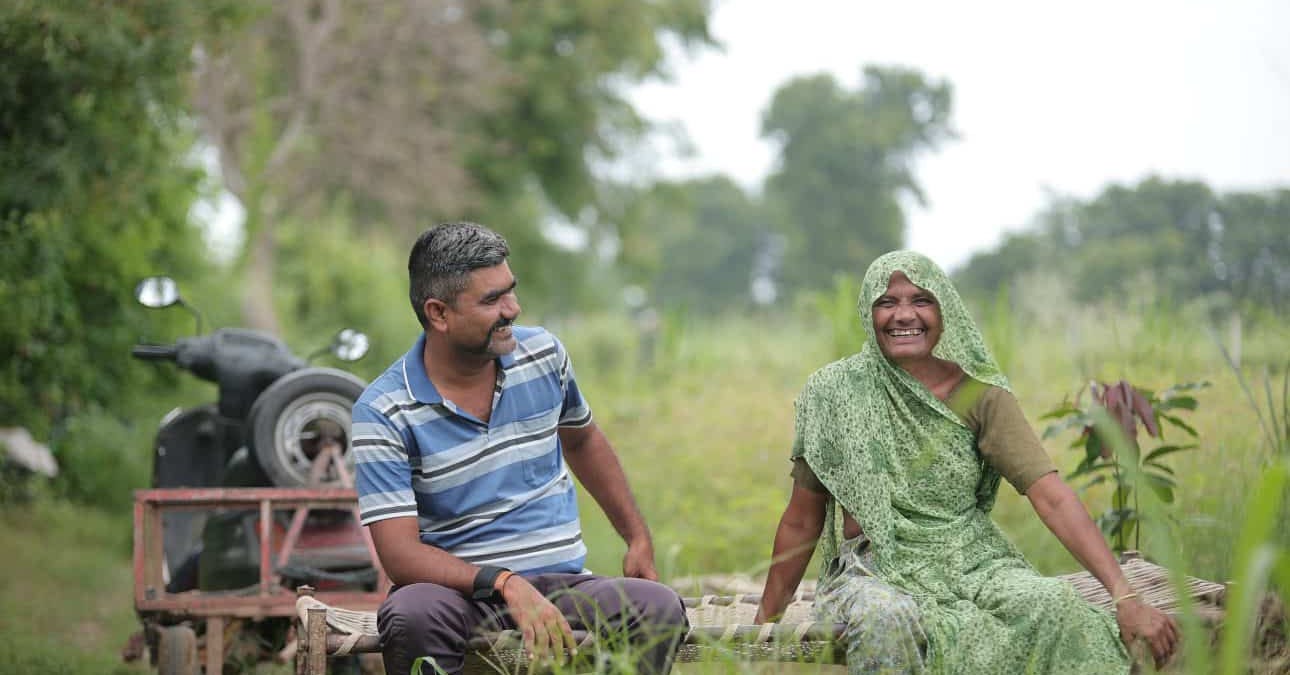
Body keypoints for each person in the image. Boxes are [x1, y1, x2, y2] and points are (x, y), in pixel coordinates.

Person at [754, 250, 1179, 674]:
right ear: (869, 314)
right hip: (872, 573)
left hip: (974, 563)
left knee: (1053, 605)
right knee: (886, 619)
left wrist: (1125, 597)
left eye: (921, 300)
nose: (904, 315)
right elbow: (802, 519)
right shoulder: (833, 393)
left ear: (945, 311)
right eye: (887, 302)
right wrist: (764, 628)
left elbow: (1051, 496)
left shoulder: (981, 396)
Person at [352, 222, 687, 675]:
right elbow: (400, 555)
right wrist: (503, 582)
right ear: (439, 313)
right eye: (492, 300)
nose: (513, 308)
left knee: (657, 607)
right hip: (457, 593)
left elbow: (583, 439)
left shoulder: (543, 356)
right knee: (411, 615)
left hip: (561, 581)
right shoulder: (384, 409)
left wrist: (637, 535)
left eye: (510, 291)